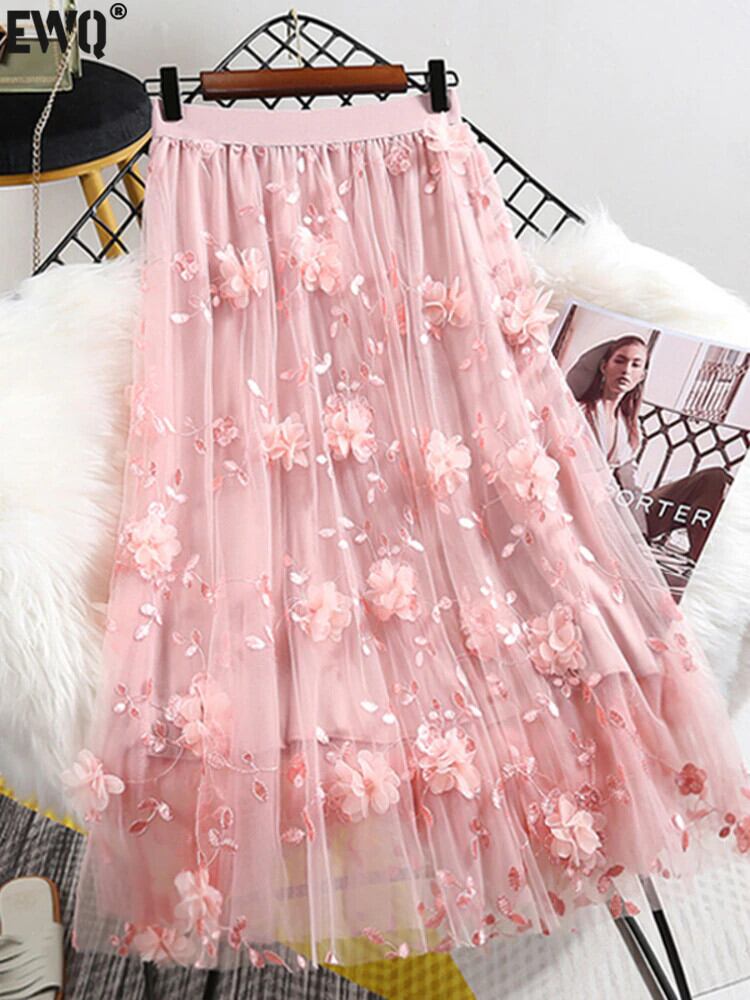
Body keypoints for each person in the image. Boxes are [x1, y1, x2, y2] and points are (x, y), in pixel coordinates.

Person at [572, 334, 730, 564]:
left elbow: (630, 482)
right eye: (620, 361)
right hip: (588, 508)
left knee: (715, 478)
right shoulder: (580, 412)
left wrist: (639, 531)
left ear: (642, 376)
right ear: (604, 367)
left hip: (625, 510)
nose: (626, 370)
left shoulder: (629, 424)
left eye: (635, 365)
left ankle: (700, 563)